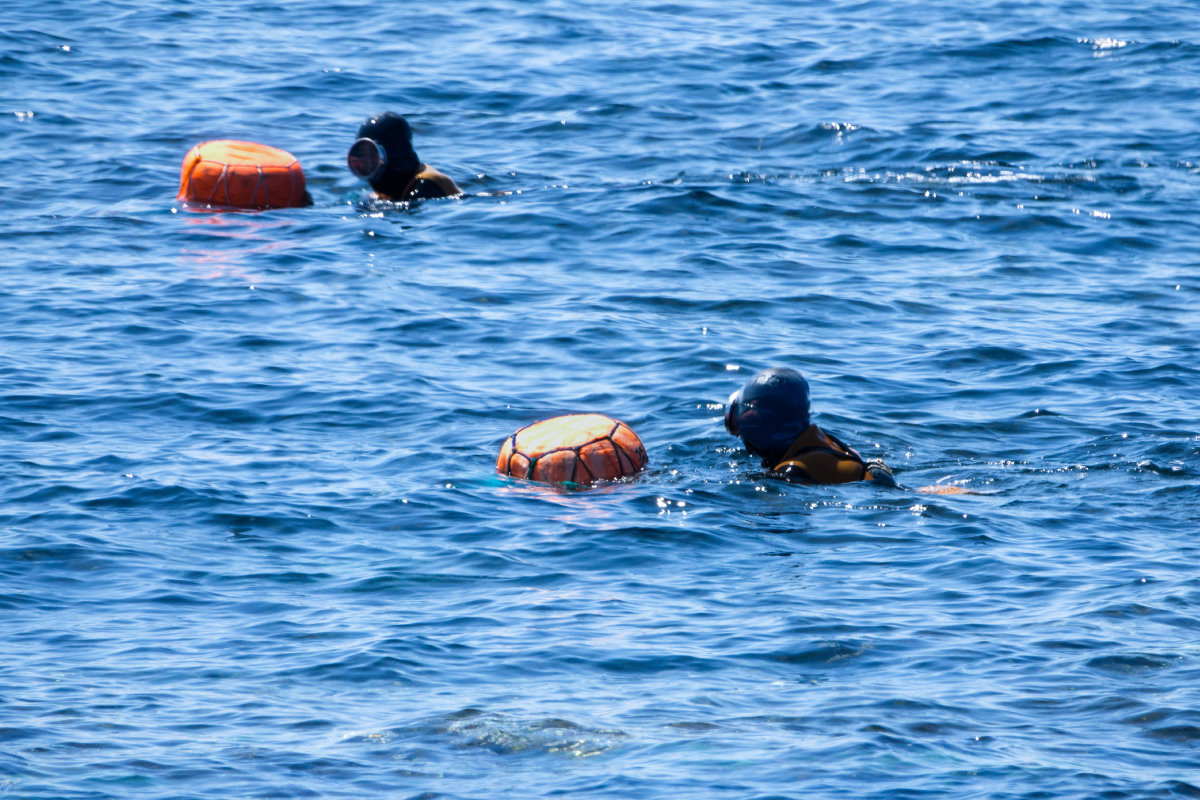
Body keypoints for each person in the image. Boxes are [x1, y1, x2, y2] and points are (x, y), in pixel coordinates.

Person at [724, 367, 895, 486]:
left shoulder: (790, 474)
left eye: (752, 411)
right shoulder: (823, 440)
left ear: (766, 423)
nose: (744, 419)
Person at [346, 112, 461, 202]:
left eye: (373, 155)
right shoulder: (383, 190)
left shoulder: (427, 185)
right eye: (361, 155)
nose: (367, 163)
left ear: (395, 153)